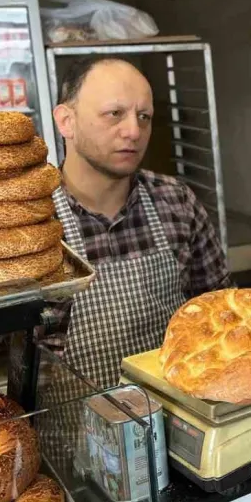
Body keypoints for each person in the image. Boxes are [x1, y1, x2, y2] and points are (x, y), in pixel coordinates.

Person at [42, 56, 231, 390]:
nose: (133, 131)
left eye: (144, 117)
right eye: (114, 114)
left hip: (175, 428)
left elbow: (221, 316)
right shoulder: (32, 223)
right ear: (66, 121)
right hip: (68, 437)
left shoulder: (177, 202)